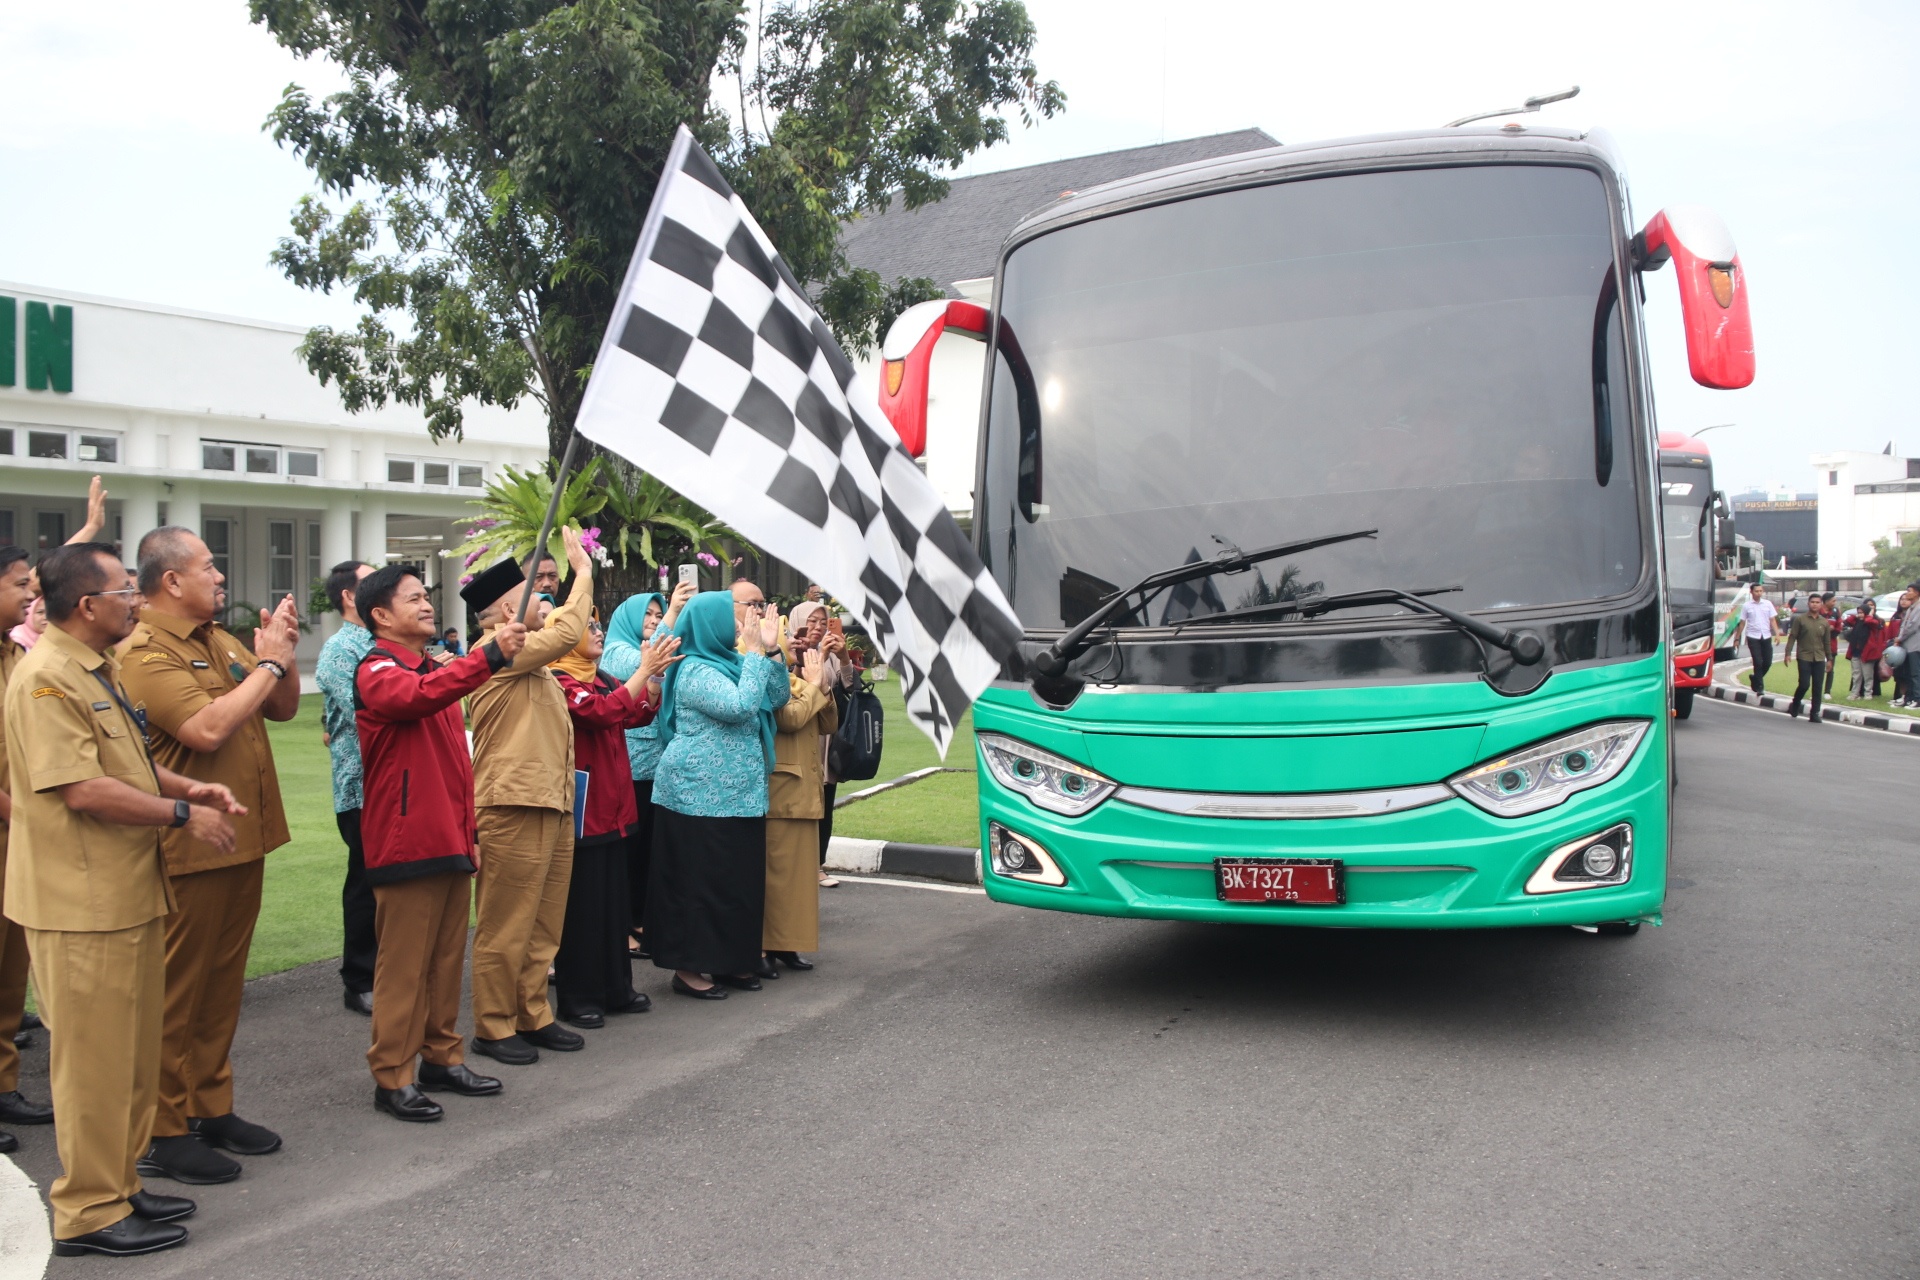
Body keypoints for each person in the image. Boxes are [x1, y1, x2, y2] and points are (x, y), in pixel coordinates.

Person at [5, 541, 246, 1257]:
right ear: (87, 605)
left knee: (132, 1058)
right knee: (92, 1064)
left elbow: (128, 761)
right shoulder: (46, 678)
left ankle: (118, 1185)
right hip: (80, 904)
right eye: (123, 594)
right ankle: (87, 1210)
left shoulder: (93, 669)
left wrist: (187, 787)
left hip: (124, 893)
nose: (134, 603)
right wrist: (182, 817)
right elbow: (80, 787)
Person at [118, 528, 300, 1186]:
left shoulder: (217, 641)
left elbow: (278, 708)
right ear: (169, 581)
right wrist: (269, 665)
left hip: (239, 839)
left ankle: (210, 1104)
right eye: (208, 567)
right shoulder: (143, 652)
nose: (219, 577)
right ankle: (163, 1130)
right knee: (177, 993)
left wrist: (281, 654)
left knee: (221, 989)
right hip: (188, 845)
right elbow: (205, 728)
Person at [353, 565, 525, 1122]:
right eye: (413, 599)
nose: (427, 605)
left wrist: (469, 832)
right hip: (406, 839)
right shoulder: (379, 668)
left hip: (447, 834)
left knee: (447, 959)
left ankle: (441, 1056)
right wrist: (490, 654)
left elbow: (455, 765)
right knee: (404, 966)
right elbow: (416, 698)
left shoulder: (433, 669)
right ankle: (393, 1073)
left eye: (427, 596)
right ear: (381, 615)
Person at [464, 530, 594, 1067]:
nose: (545, 597)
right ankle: (493, 1026)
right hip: (511, 803)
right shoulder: (491, 653)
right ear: (501, 611)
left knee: (543, 922)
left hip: (550, 801)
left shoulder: (535, 665)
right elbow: (567, 631)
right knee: (506, 923)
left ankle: (532, 1012)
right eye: (533, 592)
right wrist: (582, 574)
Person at [646, 585, 788, 999]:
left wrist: (772, 652)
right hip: (697, 794)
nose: (744, 621)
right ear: (710, 623)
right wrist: (756, 655)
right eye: (734, 615)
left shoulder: (733, 661)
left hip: (741, 793)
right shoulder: (693, 669)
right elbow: (740, 706)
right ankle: (688, 968)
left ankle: (731, 961)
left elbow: (775, 696)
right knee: (698, 885)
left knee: (735, 882)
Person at [550, 612, 680, 1026]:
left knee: (613, 905)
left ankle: (615, 988)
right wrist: (643, 670)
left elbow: (635, 713)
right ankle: (579, 996)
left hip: (614, 806)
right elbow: (601, 713)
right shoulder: (559, 678)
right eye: (588, 627)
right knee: (583, 908)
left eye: (597, 625)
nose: (597, 631)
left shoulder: (599, 675)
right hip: (585, 807)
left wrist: (654, 678)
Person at [601, 581, 694, 957]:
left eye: (660, 614)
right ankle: (626, 922)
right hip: (633, 766)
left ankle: (640, 916)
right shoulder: (616, 653)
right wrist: (674, 612)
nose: (655, 621)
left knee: (649, 849)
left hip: (658, 765)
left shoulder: (646, 647)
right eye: (649, 615)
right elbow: (649, 663)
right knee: (631, 851)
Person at [0, 545, 55, 1155]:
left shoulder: (18, 655)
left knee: (10, 969)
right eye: (20, 586)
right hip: (16, 821)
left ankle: (4, 1084)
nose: (29, 599)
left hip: (21, 831)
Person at [316, 560, 377, 1015]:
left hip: (397, 782)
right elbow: (368, 708)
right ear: (349, 597)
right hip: (362, 785)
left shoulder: (382, 644)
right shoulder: (339, 651)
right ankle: (359, 978)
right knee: (366, 882)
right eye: (370, 582)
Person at [765, 616, 840, 972]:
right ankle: (770, 943)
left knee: (800, 881)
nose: (797, 646)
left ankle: (789, 943)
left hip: (804, 789)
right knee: (779, 876)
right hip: (783, 790)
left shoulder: (797, 680)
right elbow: (790, 718)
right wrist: (814, 687)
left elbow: (829, 724)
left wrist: (821, 685)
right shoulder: (771, 681)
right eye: (789, 641)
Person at [789, 601, 855, 887]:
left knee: (825, 800)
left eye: (822, 622)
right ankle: (796, 864)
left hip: (826, 736)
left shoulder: (827, 657)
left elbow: (849, 689)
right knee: (797, 802)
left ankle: (817, 864)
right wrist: (815, 656)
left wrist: (842, 659)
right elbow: (795, 688)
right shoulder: (789, 651)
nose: (817, 628)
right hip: (799, 734)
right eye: (811, 621)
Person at [1782, 595, 1831, 723]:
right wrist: (1788, 653)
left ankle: (1814, 713)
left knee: (1818, 686)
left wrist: (1829, 659)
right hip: (1804, 656)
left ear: (1821, 604)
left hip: (1819, 657)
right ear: (1808, 604)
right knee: (1804, 684)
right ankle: (1796, 703)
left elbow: (1827, 642)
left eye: (1817, 602)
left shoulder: (1824, 622)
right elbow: (1793, 636)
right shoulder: (1800, 619)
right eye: (1812, 602)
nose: (1815, 604)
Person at [1738, 583, 1780, 694]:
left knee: (1768, 662)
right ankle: (1760, 687)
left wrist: (1777, 634)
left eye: (1761, 591)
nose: (1759, 593)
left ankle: (1755, 678)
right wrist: (1737, 638)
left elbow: (1772, 620)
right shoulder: (1747, 606)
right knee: (1757, 661)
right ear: (1751, 592)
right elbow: (1742, 623)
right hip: (1753, 636)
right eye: (1756, 591)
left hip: (1766, 635)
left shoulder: (1768, 604)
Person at [1846, 598, 1886, 701]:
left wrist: (1869, 615)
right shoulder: (1857, 622)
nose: (1860, 615)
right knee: (1856, 674)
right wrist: (1857, 615)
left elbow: (1871, 622)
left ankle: (1868, 693)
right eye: (1859, 612)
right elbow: (1847, 621)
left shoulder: (1873, 622)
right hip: (1856, 651)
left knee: (1868, 675)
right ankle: (1855, 693)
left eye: (1862, 613)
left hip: (1867, 653)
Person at [1895, 583, 1920, 708]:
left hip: (1915, 645)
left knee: (1915, 673)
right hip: (1907, 645)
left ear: (1917, 592)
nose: (1907, 593)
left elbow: (1913, 627)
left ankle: (1917, 699)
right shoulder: (1911, 608)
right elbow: (1904, 625)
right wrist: (1899, 639)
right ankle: (1909, 697)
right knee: (1908, 673)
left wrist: (1900, 638)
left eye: (1909, 591)